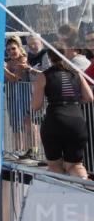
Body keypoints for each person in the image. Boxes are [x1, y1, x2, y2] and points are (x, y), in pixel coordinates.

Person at [32, 48, 94, 177]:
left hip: (55, 119)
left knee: (55, 165)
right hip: (76, 120)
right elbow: (89, 97)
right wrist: (73, 102)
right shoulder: (76, 73)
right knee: (76, 165)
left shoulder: (44, 75)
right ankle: (85, 192)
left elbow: (36, 106)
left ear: (49, 58)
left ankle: (61, 196)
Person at [5, 38, 39, 161]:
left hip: (25, 93)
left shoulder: (23, 60)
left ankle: (33, 149)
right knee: (15, 123)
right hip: (13, 95)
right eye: (8, 50)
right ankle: (18, 149)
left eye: (13, 48)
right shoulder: (8, 62)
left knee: (28, 121)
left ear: (19, 48)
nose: (11, 51)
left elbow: (15, 78)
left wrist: (4, 69)